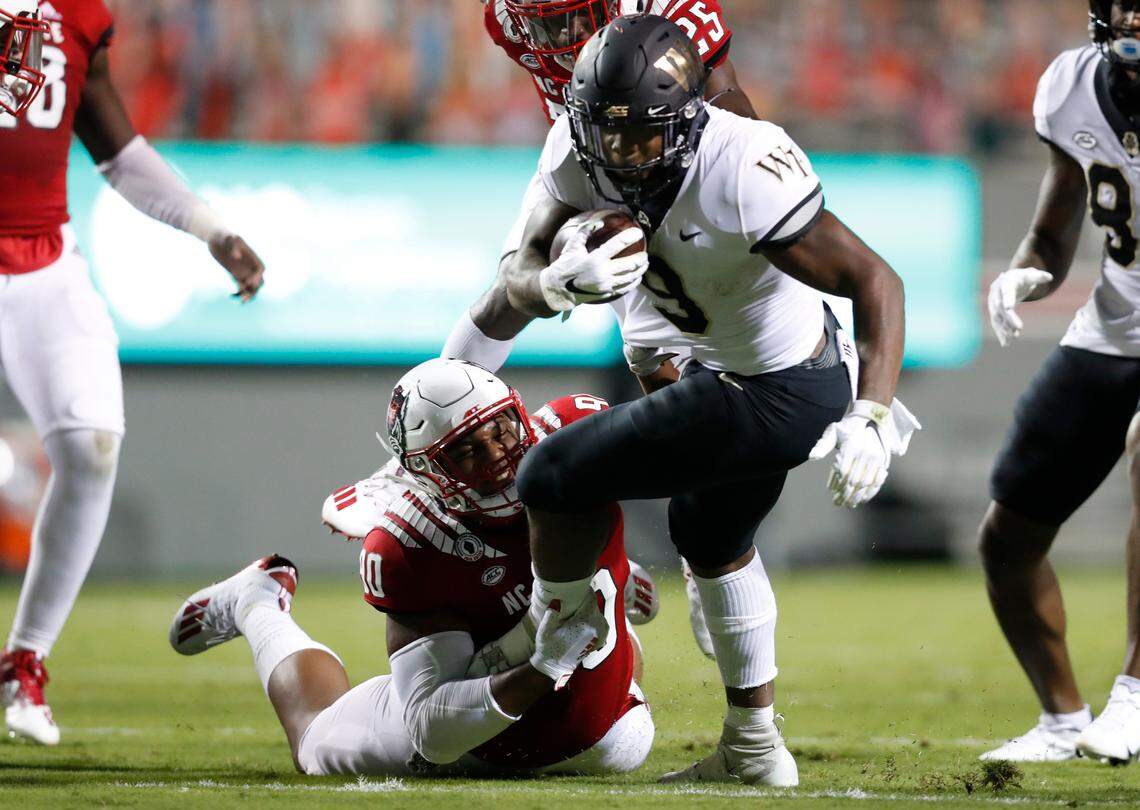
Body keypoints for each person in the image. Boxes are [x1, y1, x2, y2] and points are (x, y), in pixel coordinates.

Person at [504, 16, 917, 785]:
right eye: (610, 136)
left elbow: (877, 280)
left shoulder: (742, 163)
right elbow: (517, 270)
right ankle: (755, 747)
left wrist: (872, 411)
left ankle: (563, 631)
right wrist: (555, 282)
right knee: (709, 531)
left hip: (783, 384)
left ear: (690, 119)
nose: (624, 155)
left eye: (643, 137)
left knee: (550, 476)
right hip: (709, 366)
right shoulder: (573, 145)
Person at [170, 359, 653, 777]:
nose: (498, 459)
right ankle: (257, 604)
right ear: (427, 473)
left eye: (501, 428)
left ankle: (602, 582)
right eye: (465, 451)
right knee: (314, 742)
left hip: (614, 731)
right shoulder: (408, 545)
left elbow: (690, 448)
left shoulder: (574, 430)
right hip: (483, 740)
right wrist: (544, 665)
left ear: (519, 411)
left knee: (590, 632)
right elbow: (432, 731)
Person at [0, 0, 265, 745]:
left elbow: (116, 150)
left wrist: (211, 227)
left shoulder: (76, 14)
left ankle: (25, 659)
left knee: (91, 444)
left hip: (42, 253)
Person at [980, 0, 1140, 765]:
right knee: (1008, 533)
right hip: (1116, 325)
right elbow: (1056, 227)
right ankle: (1063, 720)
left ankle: (1138, 697)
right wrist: (1024, 273)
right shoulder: (1072, 86)